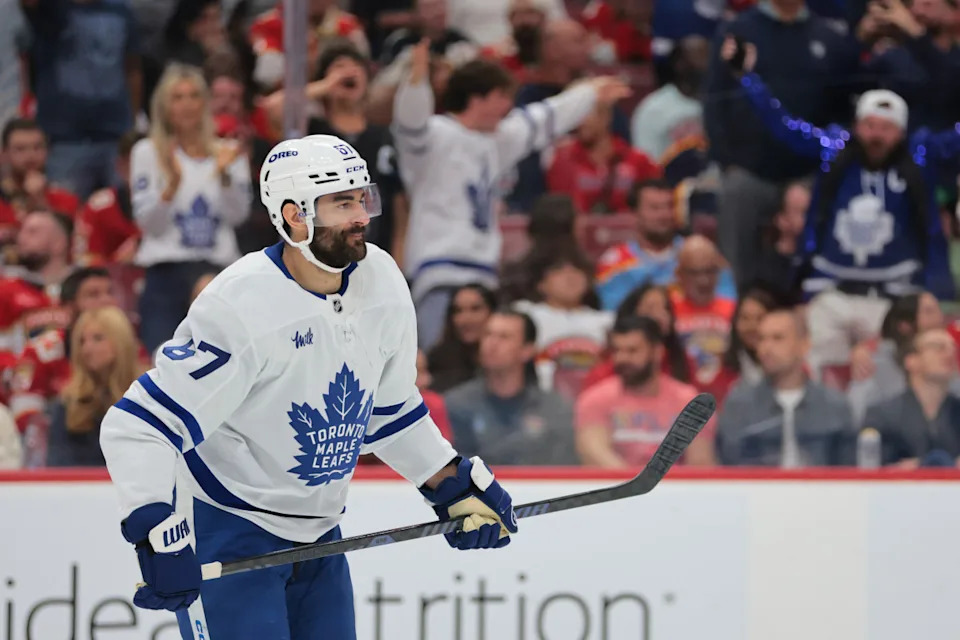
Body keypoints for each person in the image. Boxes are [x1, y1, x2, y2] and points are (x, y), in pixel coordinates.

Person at [100, 135, 518, 639]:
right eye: (343, 202)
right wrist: (152, 527)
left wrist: (447, 481)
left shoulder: (382, 280)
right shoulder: (240, 305)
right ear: (295, 215)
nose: (361, 214)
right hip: (230, 529)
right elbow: (137, 425)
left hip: (320, 535)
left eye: (363, 198)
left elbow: (387, 410)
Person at [726, 45, 958, 373]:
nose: (876, 135)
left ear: (901, 133)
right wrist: (748, 80)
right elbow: (785, 126)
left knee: (885, 376)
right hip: (830, 292)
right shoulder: (834, 150)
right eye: (870, 125)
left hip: (893, 296)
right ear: (856, 125)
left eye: (886, 128)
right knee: (817, 371)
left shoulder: (922, 155)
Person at [393, 39, 629, 348]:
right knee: (439, 359)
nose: (508, 106)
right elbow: (409, 122)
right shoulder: (434, 137)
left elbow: (546, 118)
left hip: (486, 276)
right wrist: (416, 82)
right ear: (478, 98)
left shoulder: (498, 140)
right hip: (439, 273)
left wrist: (590, 93)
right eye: (502, 96)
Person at [130, 64, 252, 354]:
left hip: (216, 270)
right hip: (165, 272)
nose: (186, 105)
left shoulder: (228, 152)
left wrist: (224, 177)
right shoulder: (148, 152)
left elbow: (238, 216)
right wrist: (171, 186)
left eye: (194, 96)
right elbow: (150, 225)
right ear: (164, 106)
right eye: (177, 97)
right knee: (161, 361)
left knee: (218, 359)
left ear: (205, 102)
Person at [19, 0, 142, 200]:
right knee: (63, 217)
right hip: (65, 139)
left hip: (117, 136)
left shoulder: (121, 9)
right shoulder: (49, 9)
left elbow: (133, 66)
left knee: (124, 217)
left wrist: (133, 119)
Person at [717, 308, 856, 466]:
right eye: (761, 339)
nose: (766, 348)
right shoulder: (738, 405)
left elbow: (849, 474)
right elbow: (728, 471)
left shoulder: (835, 406)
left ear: (804, 345)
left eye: (778, 338)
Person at [575, 315, 715, 467]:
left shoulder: (689, 401)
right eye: (617, 350)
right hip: (618, 488)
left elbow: (700, 462)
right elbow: (595, 454)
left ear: (657, 352)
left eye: (632, 350)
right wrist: (637, 485)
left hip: (677, 488)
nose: (622, 358)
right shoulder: (595, 399)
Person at [445, 309, 577, 464]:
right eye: (487, 334)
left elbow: (564, 466)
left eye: (504, 337)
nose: (492, 344)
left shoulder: (554, 408)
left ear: (527, 350)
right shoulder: (455, 404)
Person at [594, 179, 736, 310]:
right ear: (635, 214)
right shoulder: (615, 263)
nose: (664, 214)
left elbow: (727, 304)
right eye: (655, 208)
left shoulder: (701, 253)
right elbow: (613, 315)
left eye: (669, 206)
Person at [8, 267, 117, 434]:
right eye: (93, 295)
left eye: (110, 292)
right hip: (60, 441)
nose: (106, 301)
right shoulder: (39, 352)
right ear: (68, 308)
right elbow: (24, 413)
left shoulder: (129, 347)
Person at [47, 306, 143, 467]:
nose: (86, 349)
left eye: (98, 338)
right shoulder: (68, 403)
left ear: (121, 343)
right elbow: (57, 466)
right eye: (82, 341)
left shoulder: (146, 398)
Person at [847, 291, 960, 425]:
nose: (939, 318)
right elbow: (856, 414)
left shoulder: (947, 362)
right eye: (929, 312)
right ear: (904, 325)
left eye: (938, 310)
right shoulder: (873, 362)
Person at [512, 251, 612, 398]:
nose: (570, 276)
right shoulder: (525, 314)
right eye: (559, 270)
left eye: (577, 270)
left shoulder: (608, 321)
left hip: (596, 400)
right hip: (537, 400)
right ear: (541, 284)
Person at [863, 328, 960, 467]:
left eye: (954, 348)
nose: (949, 353)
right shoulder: (882, 415)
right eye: (938, 347)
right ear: (911, 360)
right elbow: (869, 470)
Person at [546, 101, 661, 214]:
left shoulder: (638, 161)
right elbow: (559, 212)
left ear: (606, 117)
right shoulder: (563, 161)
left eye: (584, 114)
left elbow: (657, 203)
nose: (579, 122)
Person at [581, 282, 693, 390]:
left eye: (666, 309)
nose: (661, 315)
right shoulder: (606, 369)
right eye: (651, 308)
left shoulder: (684, 361)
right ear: (632, 315)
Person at [670, 235, 737, 386]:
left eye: (710, 271)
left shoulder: (734, 310)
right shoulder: (667, 311)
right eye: (695, 272)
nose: (704, 281)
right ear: (679, 274)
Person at [631, 36, 709, 163]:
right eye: (700, 56)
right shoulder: (653, 109)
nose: (707, 63)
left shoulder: (723, 104)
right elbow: (648, 163)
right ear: (680, 64)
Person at [0, 118, 80, 238]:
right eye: (20, 149)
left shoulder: (66, 199)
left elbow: (69, 244)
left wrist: (40, 202)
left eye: (37, 147)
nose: (30, 155)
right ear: (4, 154)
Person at [73, 130, 143, 266]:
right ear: (120, 166)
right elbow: (83, 260)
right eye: (135, 164)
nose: (143, 173)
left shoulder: (176, 204)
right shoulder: (99, 207)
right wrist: (117, 263)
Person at [708, 287, 778, 404]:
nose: (752, 326)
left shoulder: (790, 365)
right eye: (745, 318)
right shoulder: (722, 367)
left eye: (760, 318)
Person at [426, 283, 497, 393]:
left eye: (475, 309)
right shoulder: (436, 361)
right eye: (458, 311)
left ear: (493, 312)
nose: (465, 319)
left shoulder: (509, 358)